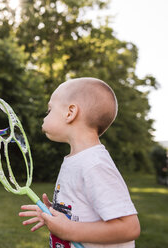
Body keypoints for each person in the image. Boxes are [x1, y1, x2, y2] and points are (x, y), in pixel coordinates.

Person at [18, 77, 140, 248]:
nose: (45, 117)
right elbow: (82, 211)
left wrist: (68, 230)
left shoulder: (95, 164)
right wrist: (54, 214)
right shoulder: (77, 159)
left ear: (70, 113)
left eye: (49, 110)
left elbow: (129, 228)